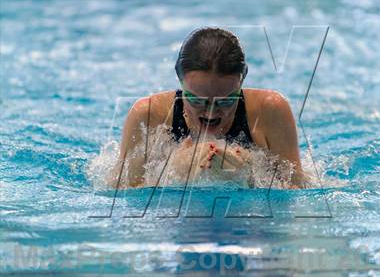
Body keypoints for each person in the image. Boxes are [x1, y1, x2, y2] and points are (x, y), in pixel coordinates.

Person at [109, 27, 306, 189]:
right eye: (197, 100)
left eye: (226, 101)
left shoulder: (269, 111)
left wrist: (251, 175)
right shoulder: (149, 115)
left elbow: (299, 190)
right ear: (180, 81)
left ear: (241, 81)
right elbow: (119, 192)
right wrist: (173, 172)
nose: (211, 113)